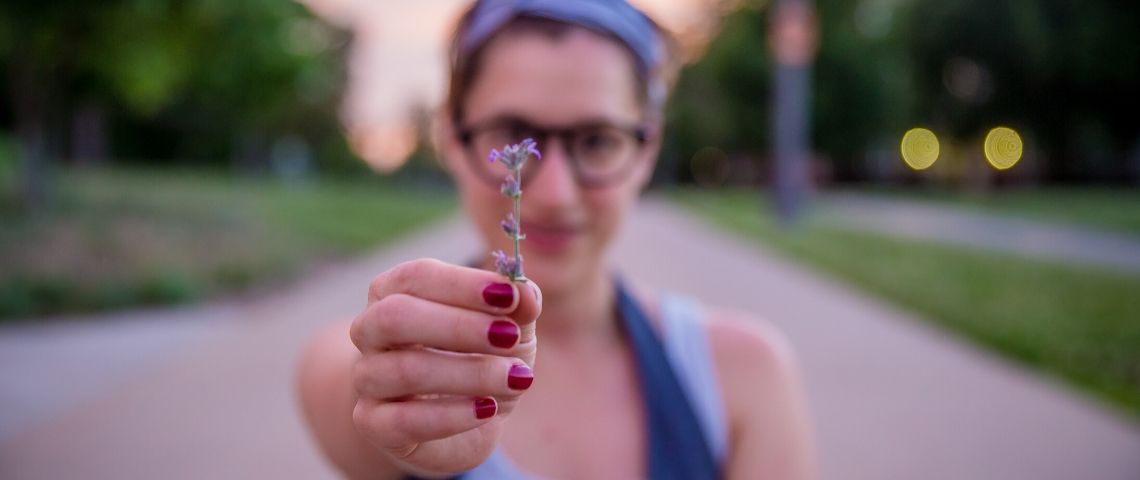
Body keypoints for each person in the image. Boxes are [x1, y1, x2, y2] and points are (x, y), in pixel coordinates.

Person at [297, 0, 817, 478]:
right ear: (452, 136)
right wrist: (394, 401)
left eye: (596, 141)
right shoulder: (347, 360)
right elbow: (345, 386)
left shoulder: (744, 376)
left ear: (647, 149)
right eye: (513, 134)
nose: (553, 194)